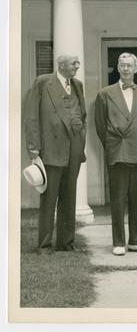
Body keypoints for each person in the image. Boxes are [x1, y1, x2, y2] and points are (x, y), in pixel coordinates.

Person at [24, 54, 87, 253]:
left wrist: (81, 138)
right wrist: (34, 148)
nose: (77, 65)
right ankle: (44, 245)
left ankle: (66, 243)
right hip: (50, 150)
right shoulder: (43, 83)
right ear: (60, 65)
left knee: (69, 198)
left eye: (78, 62)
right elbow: (31, 116)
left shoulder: (77, 84)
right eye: (73, 63)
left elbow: (82, 115)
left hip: (74, 151)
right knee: (49, 199)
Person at [95, 52, 137, 256]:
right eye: (123, 65)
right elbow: (100, 125)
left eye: (130, 65)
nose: (126, 69)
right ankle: (118, 242)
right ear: (117, 68)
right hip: (117, 150)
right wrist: (112, 144)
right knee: (118, 198)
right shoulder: (105, 93)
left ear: (136, 69)